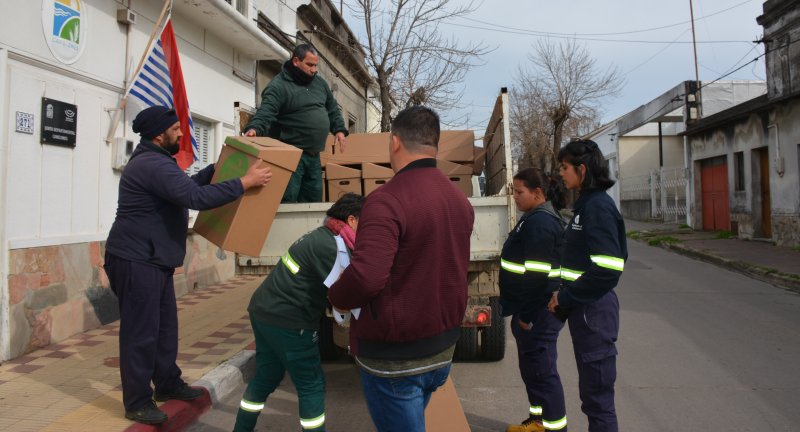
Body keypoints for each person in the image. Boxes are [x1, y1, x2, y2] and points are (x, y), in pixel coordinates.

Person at [104, 105, 272, 425]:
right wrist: (245, 181)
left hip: (152, 260)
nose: (182, 134)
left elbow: (190, 185)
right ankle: (137, 401)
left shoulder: (158, 162)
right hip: (136, 260)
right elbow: (195, 197)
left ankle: (167, 384)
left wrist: (223, 163)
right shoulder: (152, 165)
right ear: (159, 134)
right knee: (141, 333)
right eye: (176, 129)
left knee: (164, 329)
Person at [328, 106, 474, 432]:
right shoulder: (458, 200)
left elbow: (366, 277)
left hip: (395, 357)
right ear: (434, 144)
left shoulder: (385, 200)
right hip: (442, 348)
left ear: (394, 142)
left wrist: (337, 296)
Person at [232, 192, 365, 432]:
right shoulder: (332, 247)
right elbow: (343, 299)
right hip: (291, 321)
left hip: (263, 312)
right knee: (311, 384)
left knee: (266, 377)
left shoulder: (322, 235)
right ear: (353, 220)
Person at [547, 140, 627, 432]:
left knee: (598, 400)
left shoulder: (598, 208)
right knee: (592, 398)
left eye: (564, 168)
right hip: (584, 309)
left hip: (594, 311)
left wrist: (567, 297)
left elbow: (608, 268)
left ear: (581, 170)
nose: (561, 174)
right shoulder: (586, 205)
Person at [502, 168, 568, 432]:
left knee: (543, 373)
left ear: (537, 193)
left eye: (520, 192)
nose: (515, 197)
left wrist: (527, 317)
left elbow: (537, 277)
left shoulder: (541, 222)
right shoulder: (532, 217)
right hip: (529, 310)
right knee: (533, 371)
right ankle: (538, 423)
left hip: (537, 313)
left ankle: (555, 429)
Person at [243, 43, 348, 203]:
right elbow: (266, 111)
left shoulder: (320, 84)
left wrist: (339, 129)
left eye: (316, 65)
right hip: (291, 155)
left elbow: (332, 108)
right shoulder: (279, 86)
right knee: (288, 201)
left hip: (314, 156)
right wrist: (254, 128)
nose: (314, 70)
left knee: (312, 202)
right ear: (296, 61)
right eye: (310, 65)